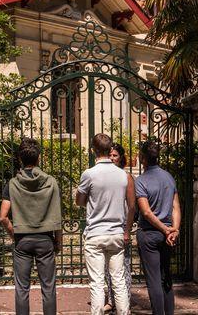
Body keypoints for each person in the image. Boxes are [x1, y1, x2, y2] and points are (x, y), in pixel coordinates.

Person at [0, 138, 63, 315]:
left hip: (22, 239)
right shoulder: (51, 182)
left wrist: (14, 234)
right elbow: (57, 216)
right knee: (48, 287)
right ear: (38, 157)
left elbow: (3, 217)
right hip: (45, 239)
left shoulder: (12, 184)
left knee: (22, 288)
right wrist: (58, 242)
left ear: (20, 158)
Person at [76, 133, 132, 315]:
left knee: (97, 283)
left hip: (95, 233)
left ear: (93, 150)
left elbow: (79, 201)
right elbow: (131, 205)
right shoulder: (123, 175)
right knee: (119, 281)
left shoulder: (89, 174)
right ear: (109, 150)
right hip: (116, 233)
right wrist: (127, 230)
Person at [135, 141, 181, 315]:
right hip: (168, 235)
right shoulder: (169, 177)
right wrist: (174, 230)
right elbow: (176, 207)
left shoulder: (141, 181)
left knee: (154, 280)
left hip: (149, 234)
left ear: (143, 158)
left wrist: (165, 229)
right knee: (165, 277)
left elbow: (146, 212)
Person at [104, 142, 135, 313]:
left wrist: (127, 230)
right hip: (106, 224)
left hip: (121, 224)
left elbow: (132, 206)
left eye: (115, 155)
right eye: (109, 155)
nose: (111, 158)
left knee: (123, 267)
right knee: (107, 267)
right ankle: (111, 300)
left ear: (121, 157)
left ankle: (125, 302)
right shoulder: (104, 175)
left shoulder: (126, 176)